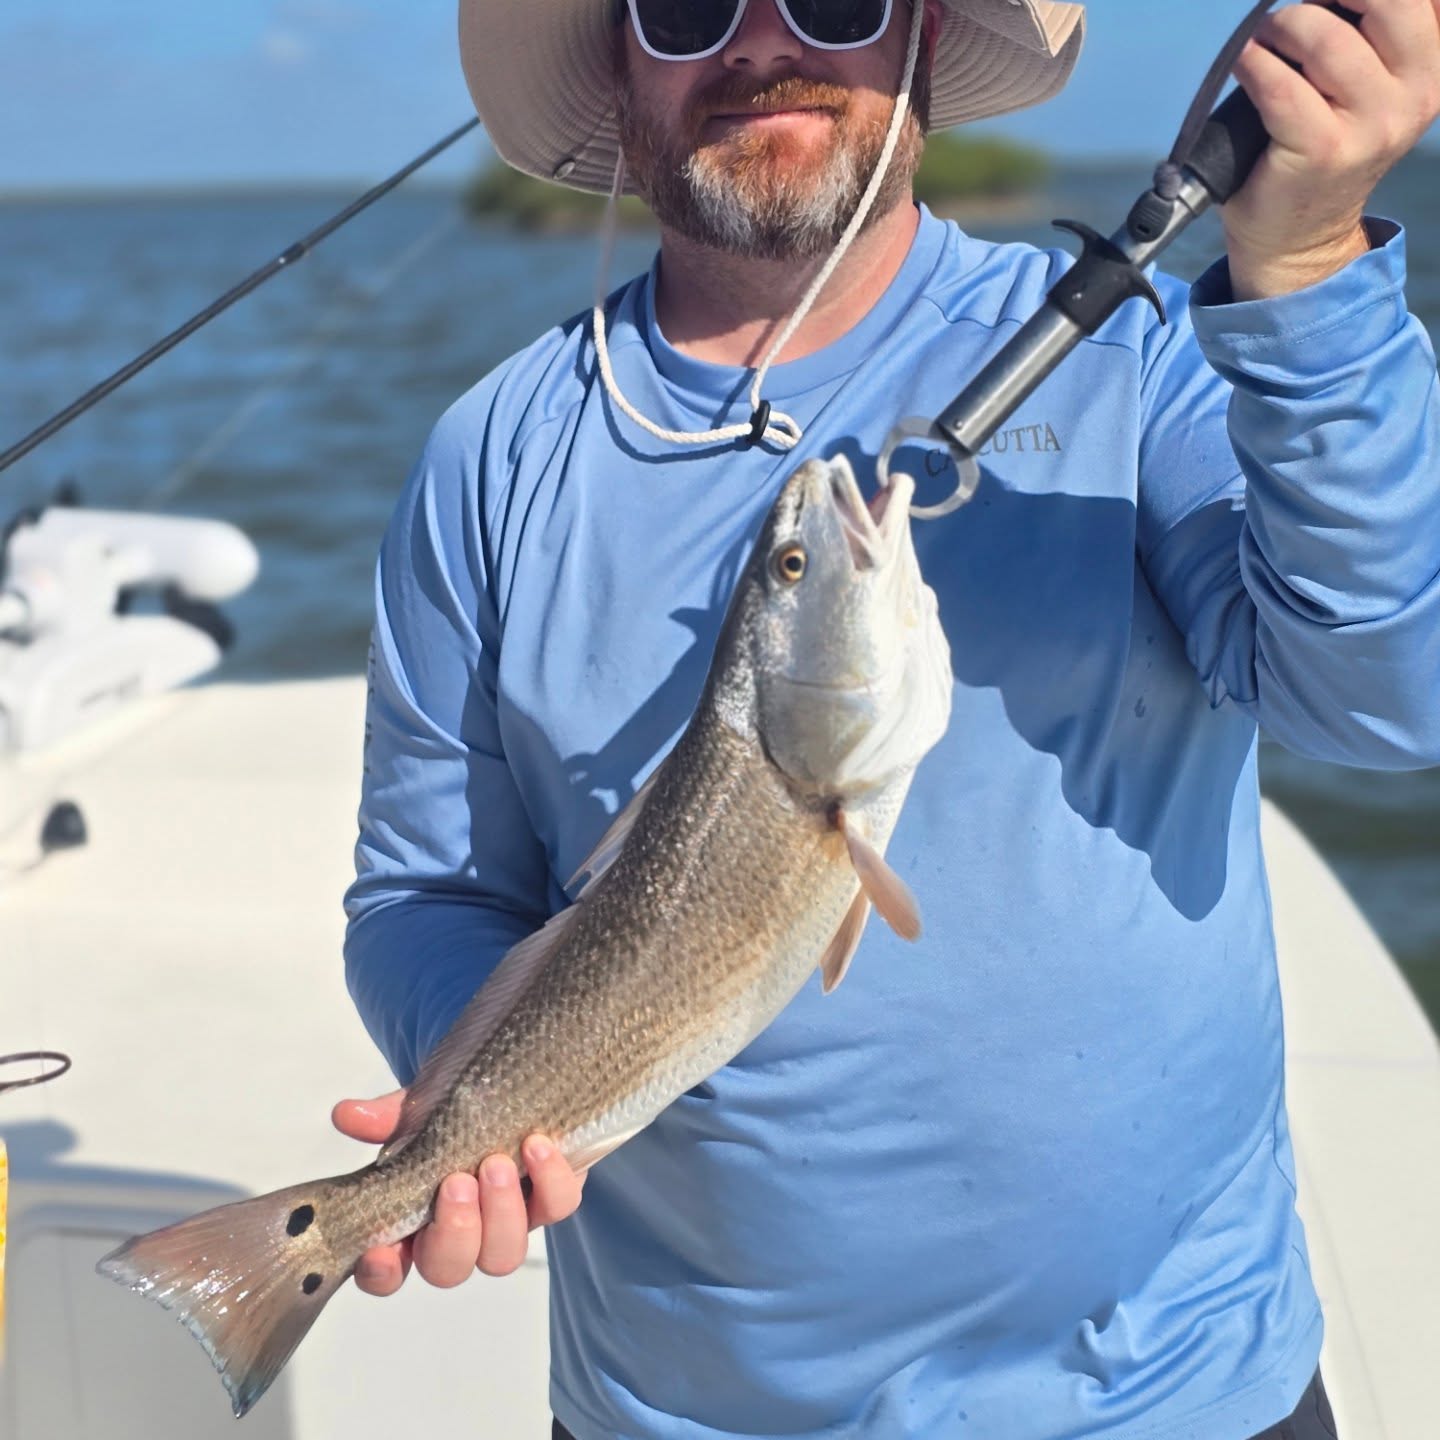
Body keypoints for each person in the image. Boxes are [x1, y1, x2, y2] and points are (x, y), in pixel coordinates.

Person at [338, 0, 1440, 1435]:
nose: (758, 46)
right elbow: (425, 894)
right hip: (683, 1408)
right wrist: (483, 1105)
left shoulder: (1130, 355)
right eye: (684, 6)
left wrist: (1301, 266)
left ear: (920, 36)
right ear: (621, 61)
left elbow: (1393, 699)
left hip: (1174, 1390)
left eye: (837, 0)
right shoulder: (491, 456)